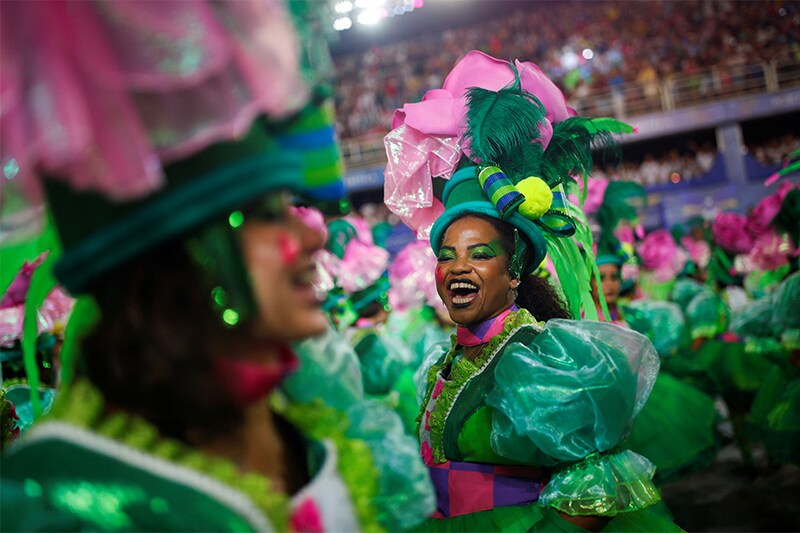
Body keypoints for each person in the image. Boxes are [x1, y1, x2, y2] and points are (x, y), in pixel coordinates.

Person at [0, 2, 433, 530]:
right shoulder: (58, 498)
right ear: (185, 260)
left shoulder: (306, 420)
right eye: (269, 216)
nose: (311, 233)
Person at [385, 50, 679, 532]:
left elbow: (592, 495)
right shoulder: (442, 360)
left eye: (480, 254)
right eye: (446, 255)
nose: (458, 268)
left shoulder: (545, 358)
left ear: (515, 270)